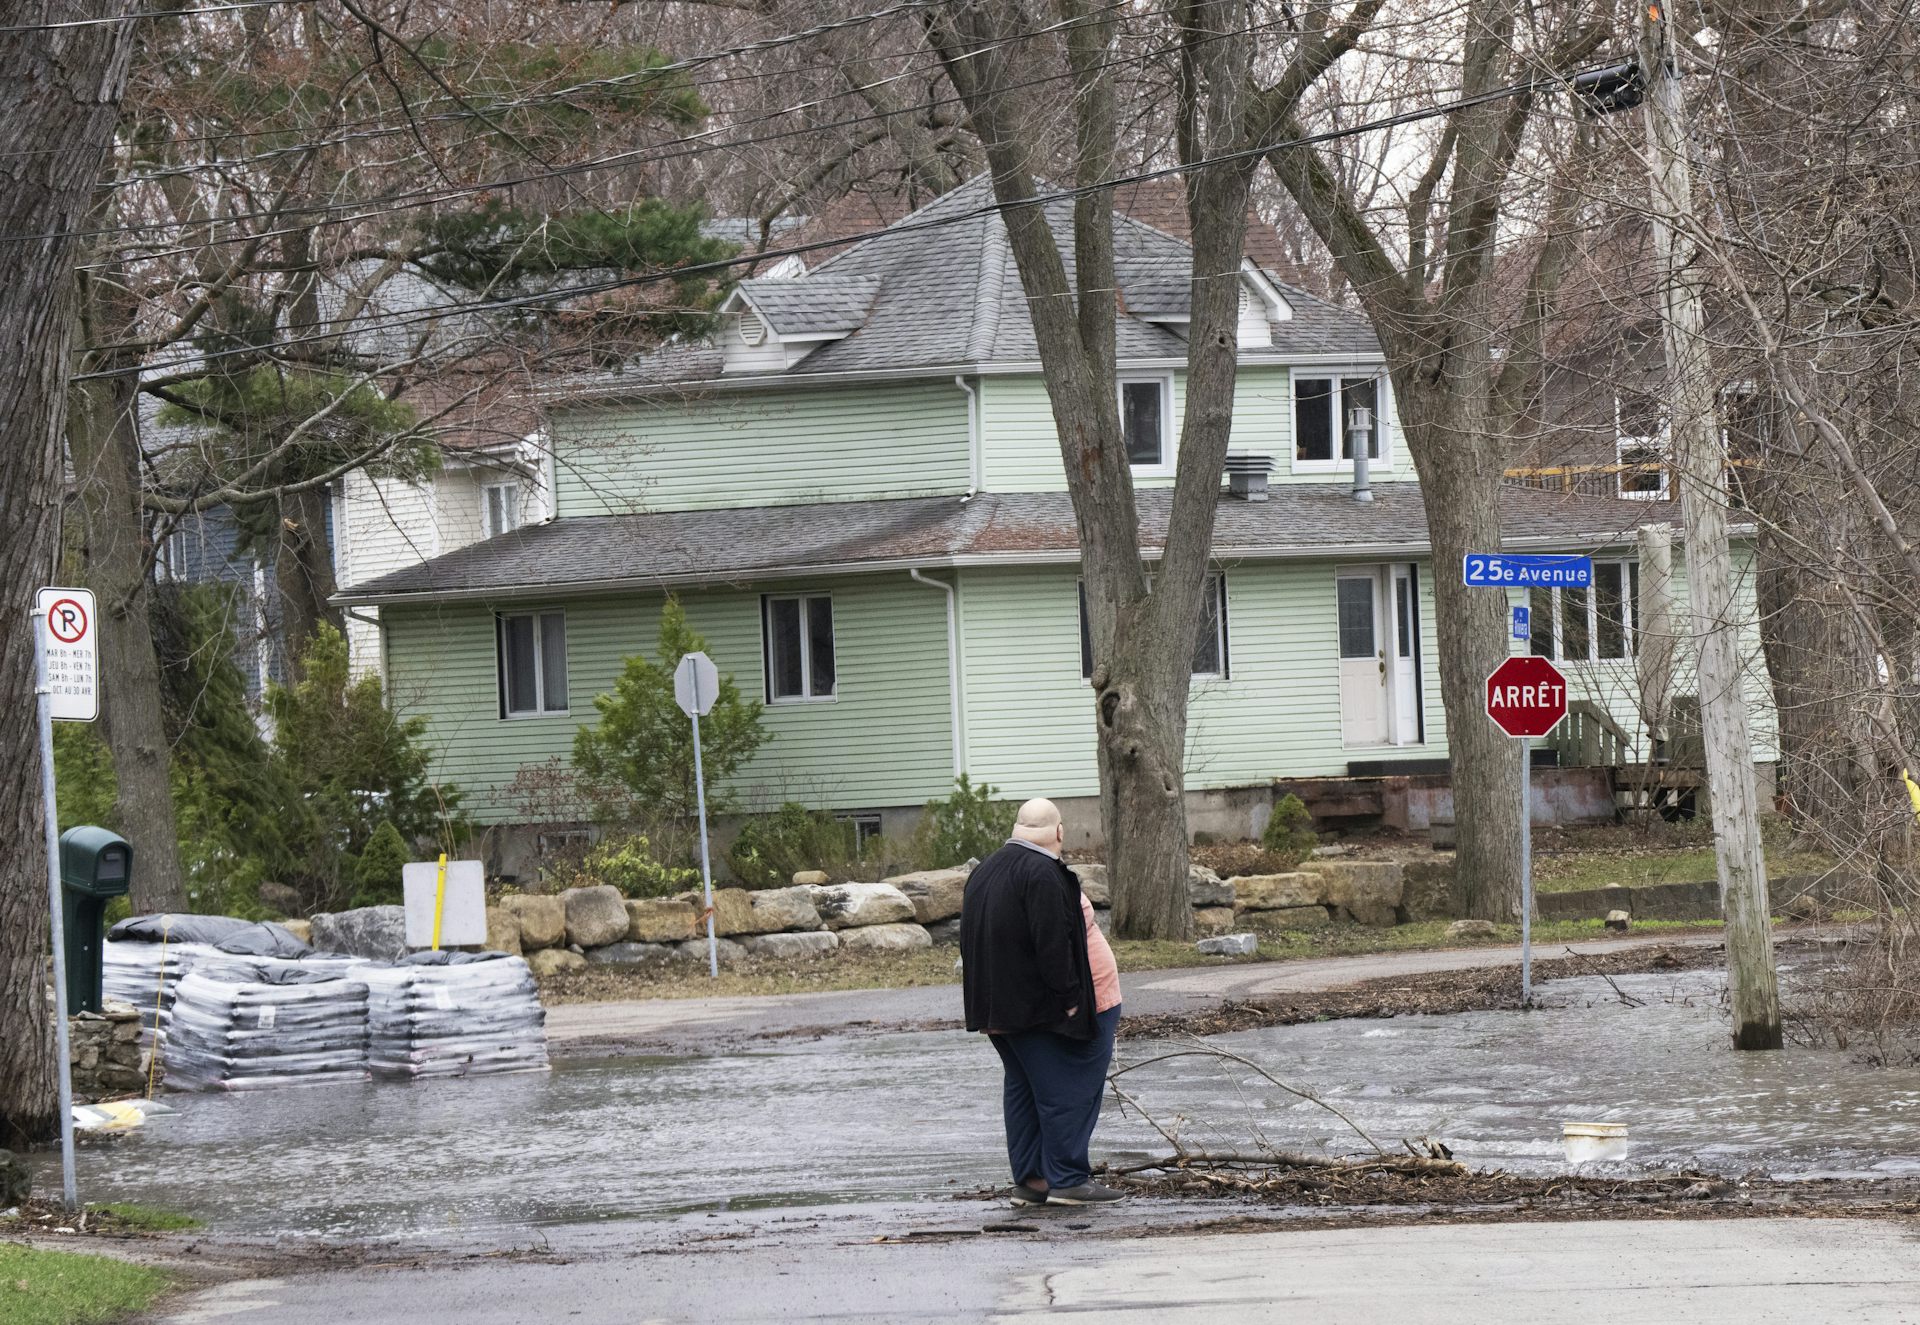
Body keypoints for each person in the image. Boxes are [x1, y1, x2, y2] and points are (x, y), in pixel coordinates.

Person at [960, 797, 1125, 1207]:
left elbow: (972, 941)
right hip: (1047, 1011)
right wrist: (1069, 1001)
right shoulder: (1043, 873)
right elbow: (1052, 944)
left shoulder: (985, 871)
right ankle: (1068, 1179)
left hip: (1002, 1009)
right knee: (1067, 1090)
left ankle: (1033, 1179)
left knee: (1025, 1089)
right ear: (1059, 832)